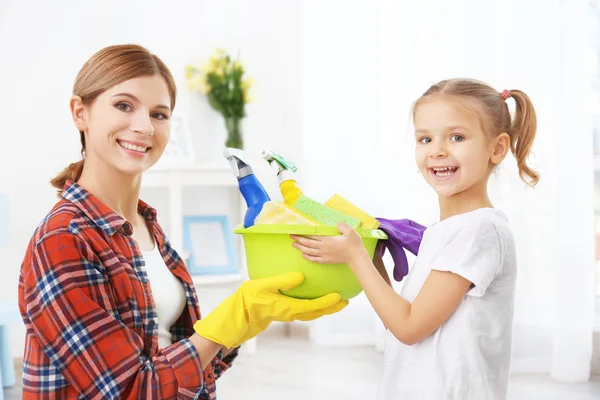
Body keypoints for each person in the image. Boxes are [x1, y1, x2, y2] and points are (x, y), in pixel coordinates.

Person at [18, 44, 347, 400]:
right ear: (80, 112)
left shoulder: (146, 227)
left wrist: (247, 320)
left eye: (159, 114)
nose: (144, 126)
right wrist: (234, 315)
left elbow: (189, 369)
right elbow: (134, 391)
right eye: (124, 105)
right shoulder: (62, 239)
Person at [292, 78, 539, 399]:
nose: (437, 150)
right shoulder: (447, 230)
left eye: (456, 137)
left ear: (497, 148)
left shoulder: (478, 231)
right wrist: (372, 257)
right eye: (425, 138)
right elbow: (401, 318)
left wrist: (355, 257)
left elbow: (409, 329)